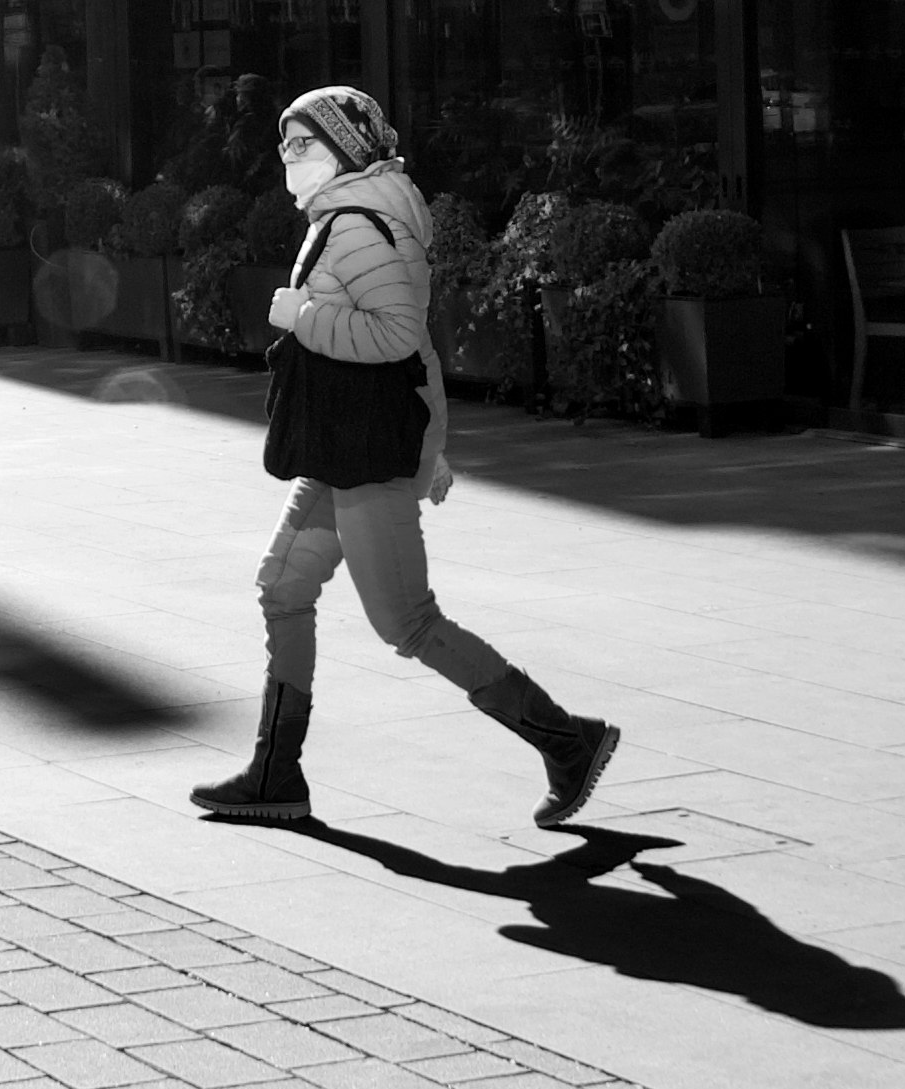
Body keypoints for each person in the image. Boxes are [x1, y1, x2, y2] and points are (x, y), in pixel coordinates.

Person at [192, 85, 620, 829]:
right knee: (282, 587)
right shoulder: (347, 216)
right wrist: (435, 441)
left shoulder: (362, 226)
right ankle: (273, 774)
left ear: (345, 151)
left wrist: (302, 316)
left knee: (408, 624)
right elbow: (415, 350)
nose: (287, 158)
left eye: (303, 145)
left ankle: (567, 741)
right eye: (284, 144)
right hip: (342, 449)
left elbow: (395, 336)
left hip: (366, 458)